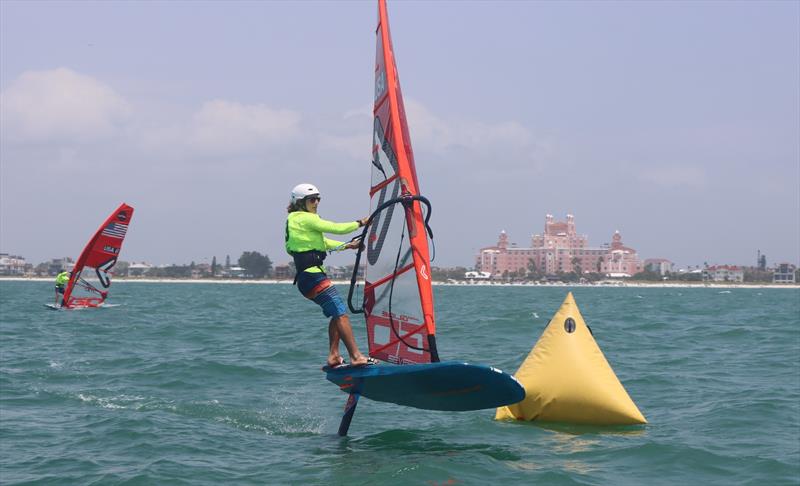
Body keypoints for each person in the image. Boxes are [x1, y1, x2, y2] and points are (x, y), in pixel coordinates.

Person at [285, 183, 373, 368]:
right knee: (341, 314)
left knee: (336, 313)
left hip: (310, 277)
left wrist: (347, 246)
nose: (316, 203)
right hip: (311, 277)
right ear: (300, 202)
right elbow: (334, 227)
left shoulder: (297, 222)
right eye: (312, 199)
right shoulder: (302, 218)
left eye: (318, 199)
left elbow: (323, 242)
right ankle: (356, 356)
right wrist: (361, 222)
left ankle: (333, 356)